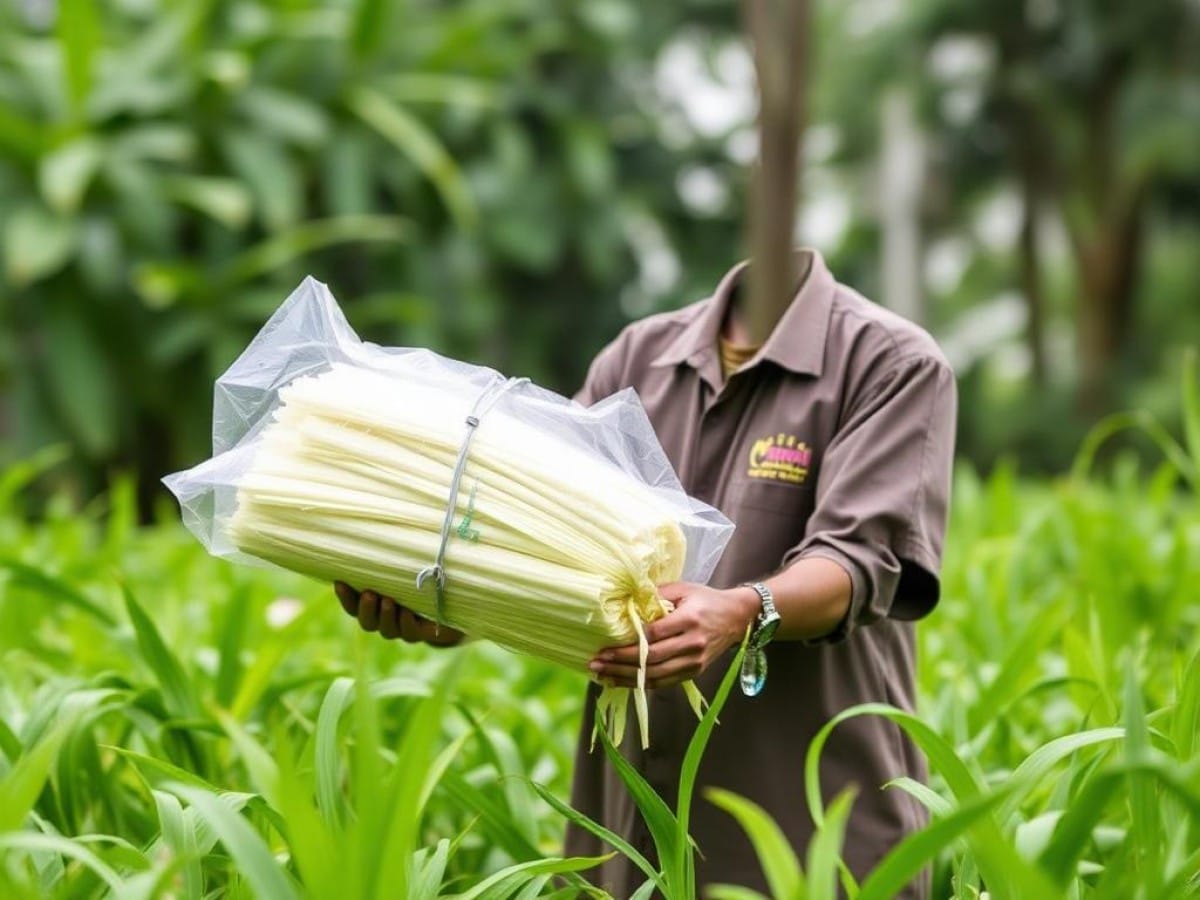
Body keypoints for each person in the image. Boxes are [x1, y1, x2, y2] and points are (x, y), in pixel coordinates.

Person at [334, 248, 956, 897]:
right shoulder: (637, 360)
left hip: (820, 845)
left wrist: (742, 612)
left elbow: (855, 562)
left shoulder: (890, 362)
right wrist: (440, 607)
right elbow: (535, 557)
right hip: (629, 847)